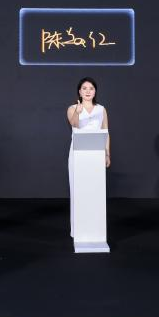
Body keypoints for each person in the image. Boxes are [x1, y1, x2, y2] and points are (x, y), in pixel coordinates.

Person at [66, 77, 110, 236]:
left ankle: (95, 229)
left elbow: (106, 132)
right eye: (84, 88)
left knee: (95, 190)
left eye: (91, 88)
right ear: (79, 91)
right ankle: (78, 230)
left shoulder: (101, 109)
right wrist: (77, 113)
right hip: (78, 153)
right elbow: (74, 124)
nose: (88, 91)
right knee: (78, 190)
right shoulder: (72, 108)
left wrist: (107, 153)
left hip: (96, 154)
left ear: (95, 91)